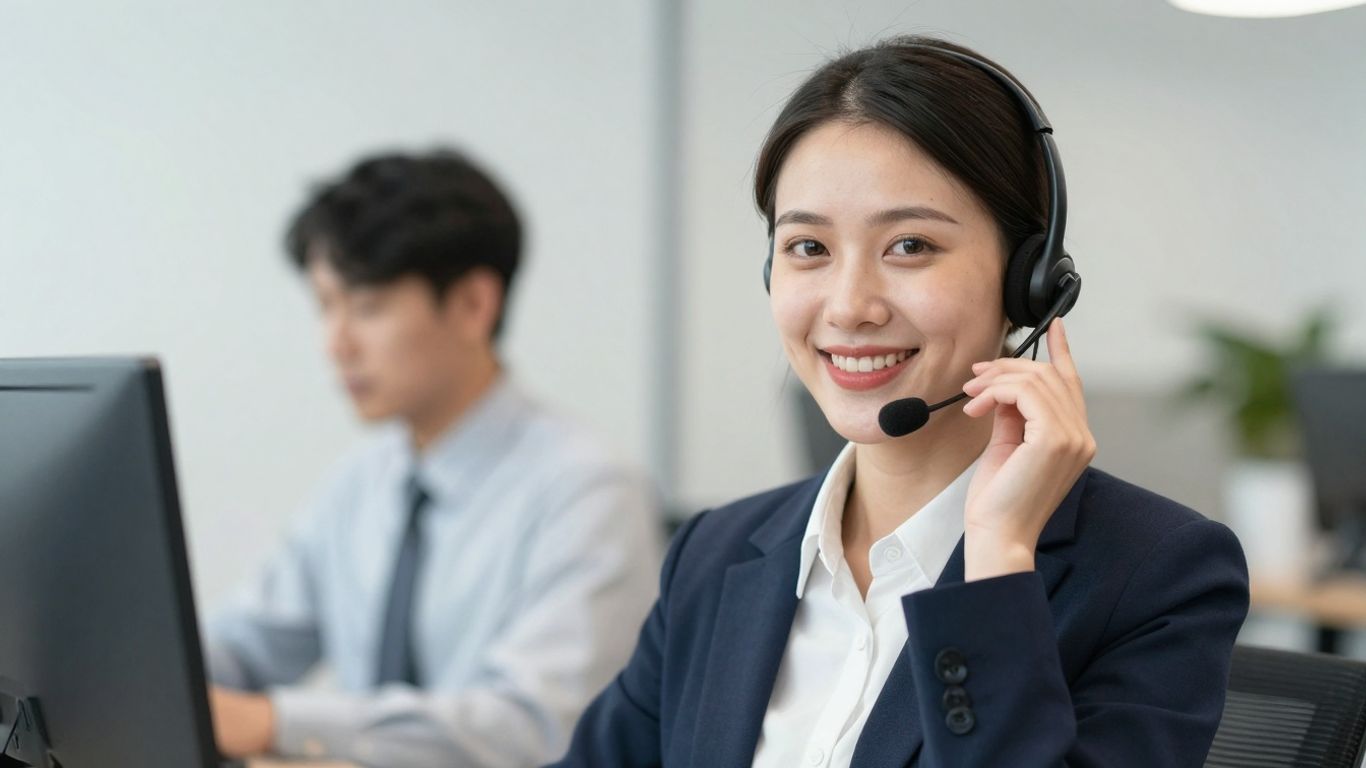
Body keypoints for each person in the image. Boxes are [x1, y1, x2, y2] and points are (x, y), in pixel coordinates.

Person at [549, 36, 1249, 767]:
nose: (850, 307)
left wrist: (998, 561)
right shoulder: (714, 553)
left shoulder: (1158, 573)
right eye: (809, 248)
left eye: (910, 245)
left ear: (1027, 282)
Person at [204, 149, 663, 767]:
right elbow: (243, 645)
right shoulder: (363, 481)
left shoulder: (589, 490)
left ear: (474, 305)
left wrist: (271, 721)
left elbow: (537, 727)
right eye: (325, 306)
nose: (335, 343)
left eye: (366, 306)